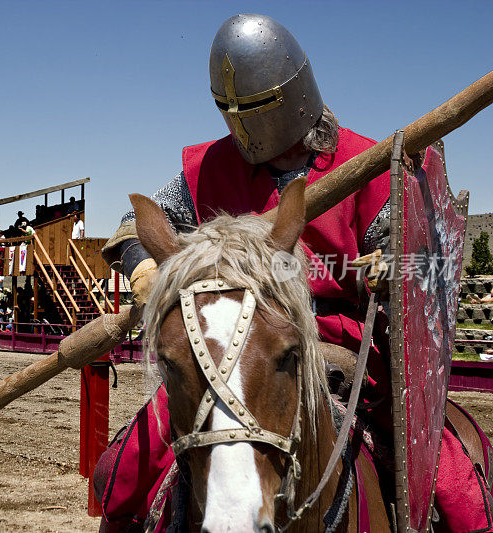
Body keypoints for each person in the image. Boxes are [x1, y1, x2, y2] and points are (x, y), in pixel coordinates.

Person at [96, 13, 490, 532]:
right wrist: (143, 265)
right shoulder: (210, 166)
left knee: (454, 485)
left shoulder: (363, 164)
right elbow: (135, 223)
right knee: (129, 467)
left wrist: (389, 269)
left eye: (257, 107)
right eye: (231, 109)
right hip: (227, 349)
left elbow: (421, 256)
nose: (244, 123)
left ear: (295, 93)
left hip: (343, 347)